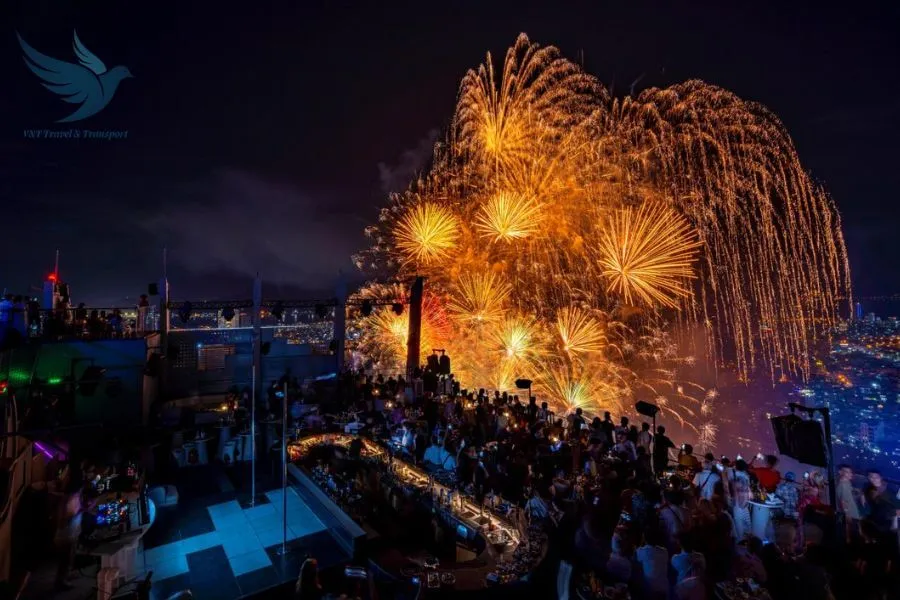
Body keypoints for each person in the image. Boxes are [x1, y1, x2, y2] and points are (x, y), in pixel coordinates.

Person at [54, 479, 85, 591]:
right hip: (66, 536)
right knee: (65, 560)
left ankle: (67, 575)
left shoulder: (75, 496)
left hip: (73, 533)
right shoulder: (67, 500)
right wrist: (76, 515)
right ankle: (60, 581)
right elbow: (62, 522)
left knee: (70, 557)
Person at [636, 529, 669, 600]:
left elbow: (638, 560)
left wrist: (641, 542)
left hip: (649, 586)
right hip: (663, 586)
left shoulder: (642, 551)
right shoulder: (664, 551)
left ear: (644, 539)